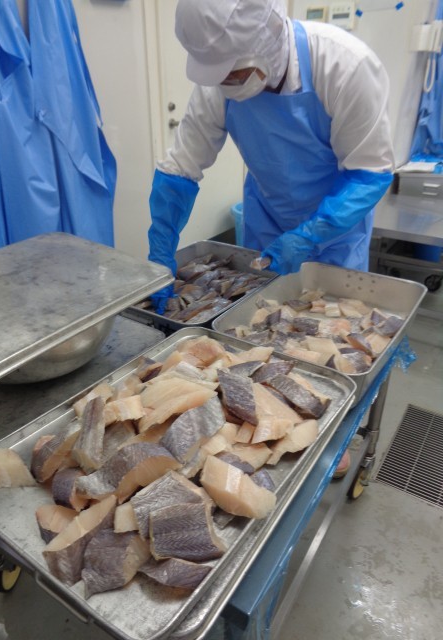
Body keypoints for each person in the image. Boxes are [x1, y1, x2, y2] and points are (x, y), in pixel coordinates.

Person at [147, 0, 395, 476]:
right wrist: (160, 249)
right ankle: (265, 423)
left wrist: (310, 236)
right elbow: (181, 169)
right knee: (259, 332)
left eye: (234, 73)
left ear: (266, 41)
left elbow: (369, 174)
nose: (226, 84)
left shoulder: (344, 65)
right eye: (218, 75)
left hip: (335, 227)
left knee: (328, 340)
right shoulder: (219, 84)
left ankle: (329, 430)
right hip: (266, 215)